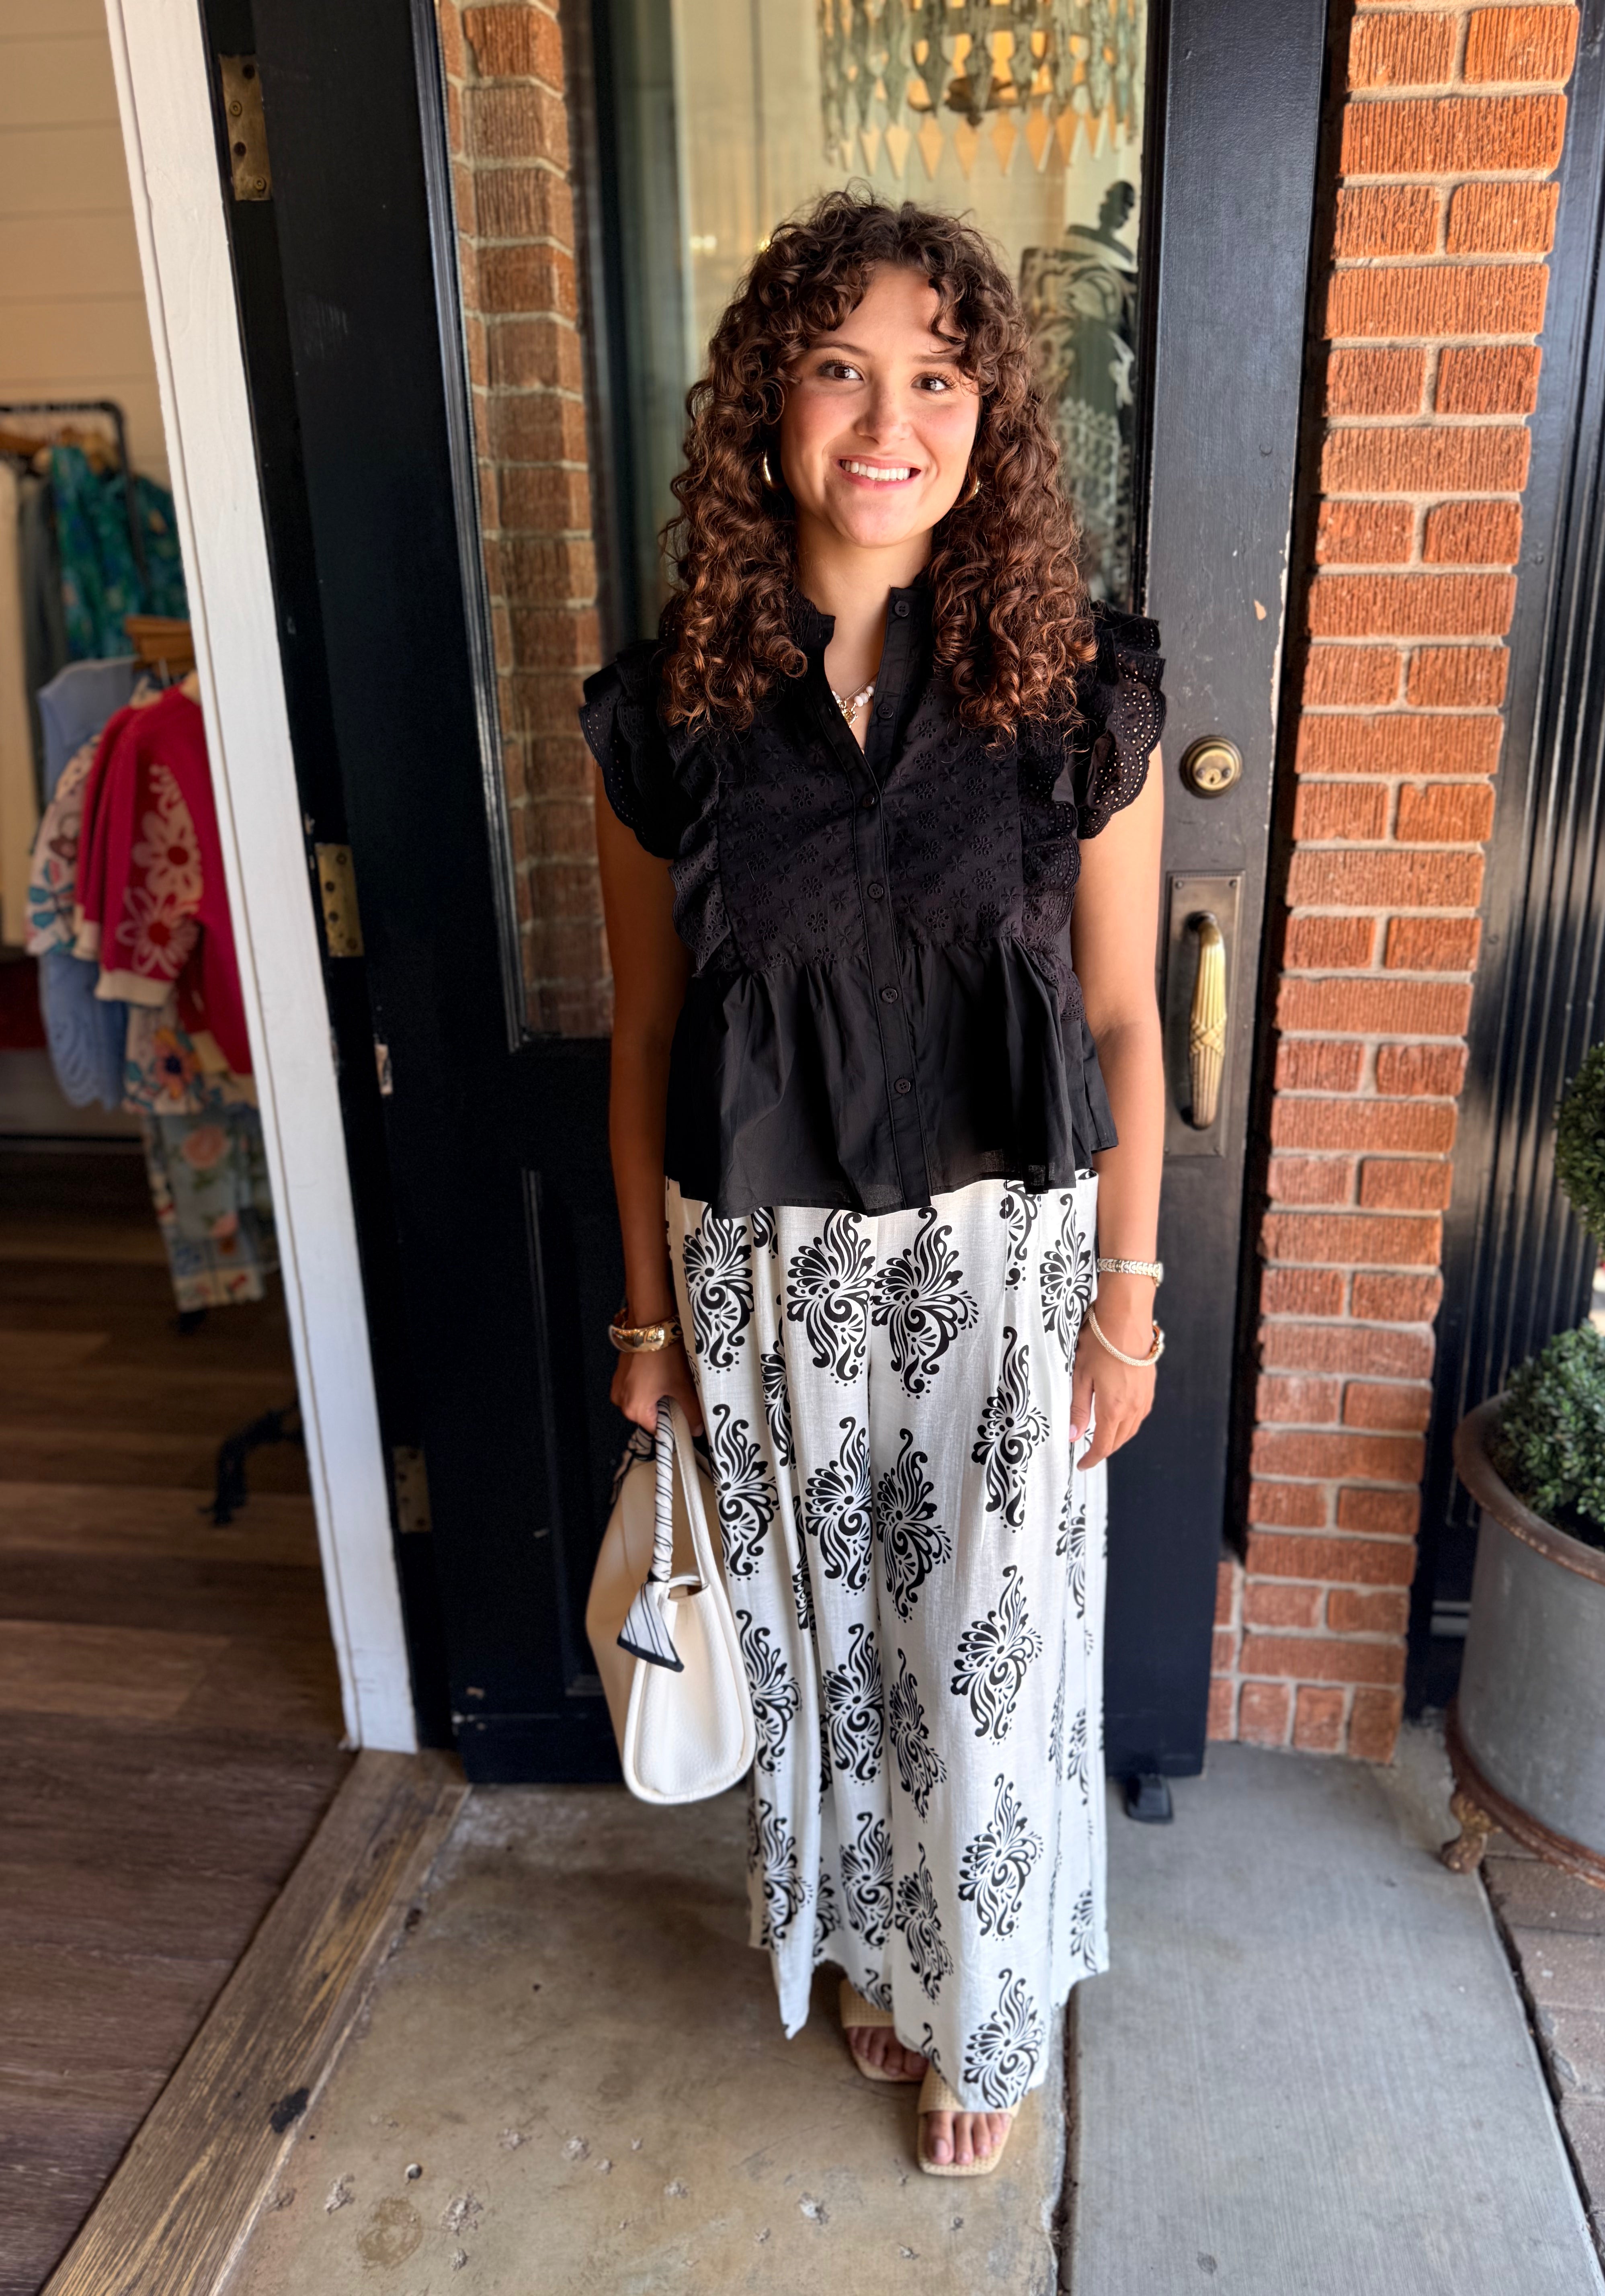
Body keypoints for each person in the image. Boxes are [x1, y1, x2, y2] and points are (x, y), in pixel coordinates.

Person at [583, 189, 1165, 2179]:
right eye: (842, 369)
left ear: (990, 421)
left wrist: (1129, 1305)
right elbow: (646, 1043)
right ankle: (871, 1956)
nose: (889, 420)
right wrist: (647, 1324)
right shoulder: (671, 710)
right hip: (763, 1277)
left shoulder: (1071, 688)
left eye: (937, 376)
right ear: (771, 403)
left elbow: (1124, 1019)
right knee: (822, 1651)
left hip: (1007, 1272)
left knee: (984, 1670)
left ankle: (982, 2014)